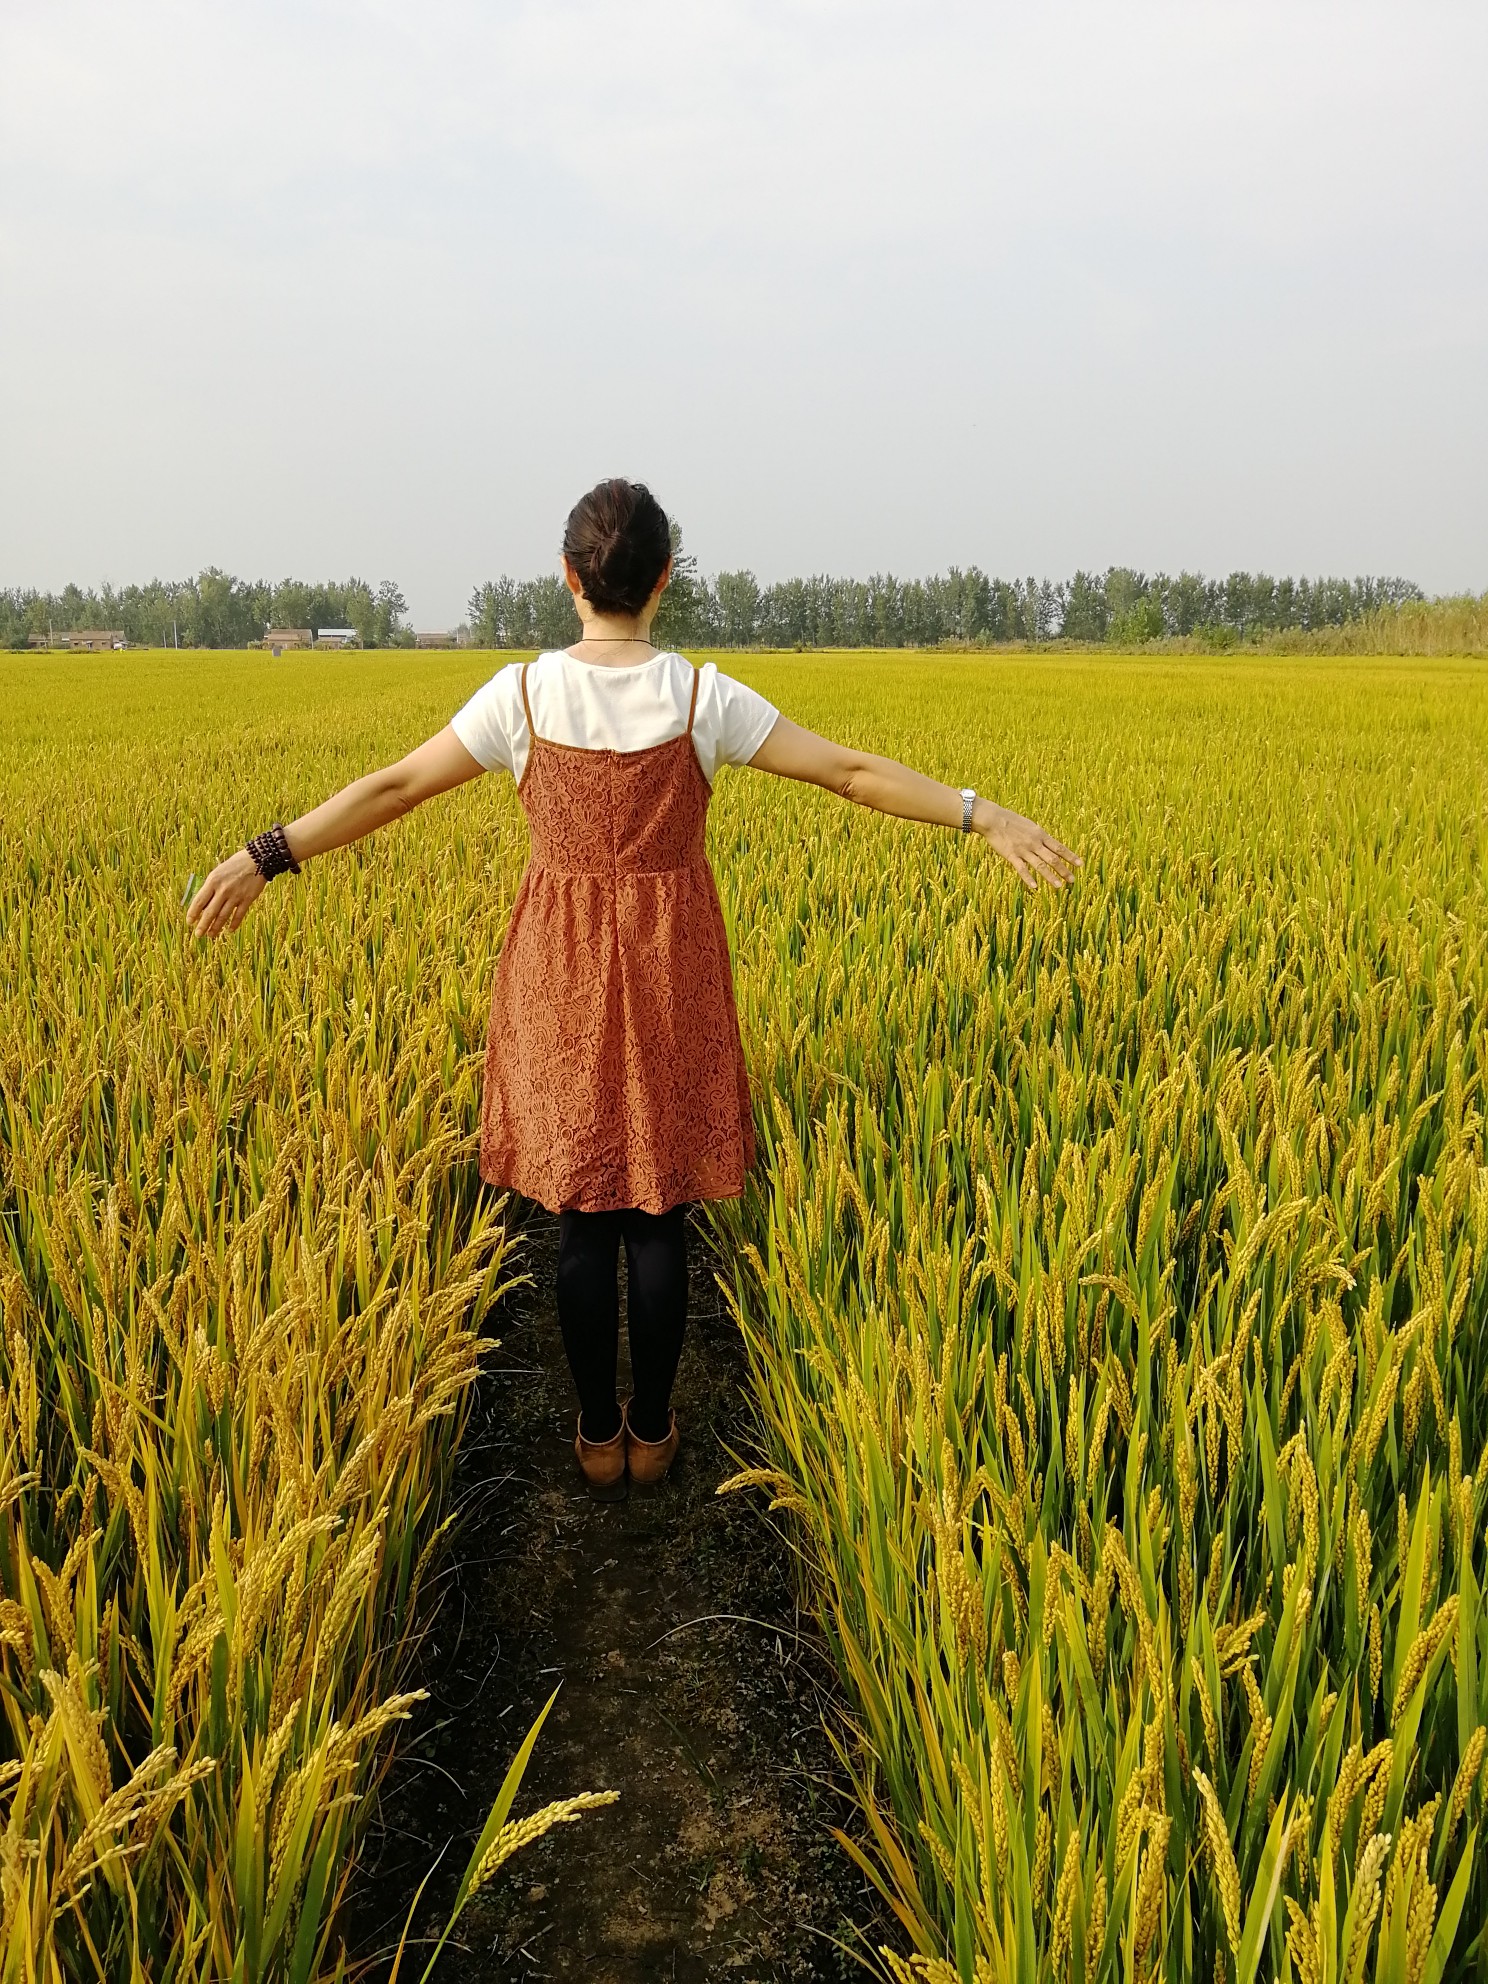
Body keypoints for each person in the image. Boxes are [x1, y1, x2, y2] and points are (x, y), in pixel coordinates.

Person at [186, 479, 1080, 1498]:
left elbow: (392, 788)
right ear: (663, 578)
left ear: (570, 577)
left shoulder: (519, 695)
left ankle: (595, 1426)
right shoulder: (703, 697)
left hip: (558, 971)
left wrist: (269, 853)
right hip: (669, 965)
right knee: (658, 1210)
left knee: (581, 1211)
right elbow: (850, 771)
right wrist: (981, 814)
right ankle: (653, 1432)